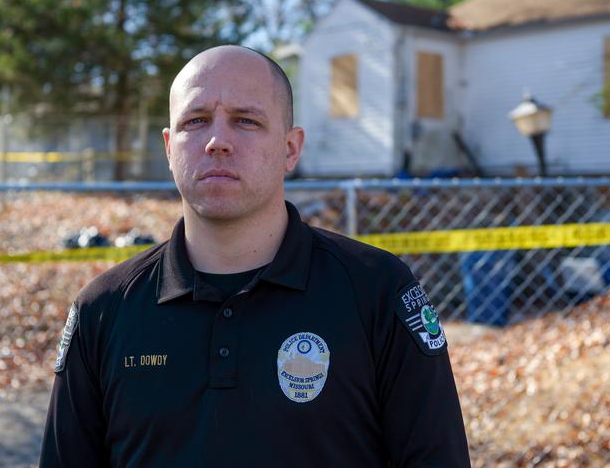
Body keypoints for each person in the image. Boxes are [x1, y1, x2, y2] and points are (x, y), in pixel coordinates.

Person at [39, 45, 471, 466]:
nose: (217, 141)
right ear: (169, 148)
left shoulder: (377, 291)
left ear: (290, 148)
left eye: (245, 120)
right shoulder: (103, 310)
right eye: (196, 120)